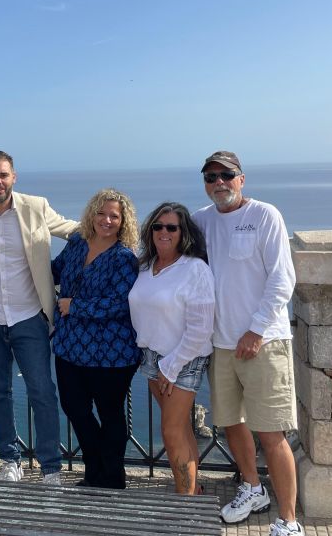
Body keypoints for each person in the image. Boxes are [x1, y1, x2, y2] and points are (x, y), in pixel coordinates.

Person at [0, 150, 78, 484]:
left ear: (14, 177)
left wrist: (114, 234)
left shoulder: (36, 206)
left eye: (3, 175)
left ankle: (50, 467)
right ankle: (11, 459)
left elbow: (72, 230)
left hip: (30, 317)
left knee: (42, 393)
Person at [191, 151, 301, 536]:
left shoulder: (265, 215)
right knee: (230, 423)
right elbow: (167, 252)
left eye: (226, 175)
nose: (218, 182)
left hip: (263, 342)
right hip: (220, 345)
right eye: (210, 177)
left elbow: (282, 280)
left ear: (241, 179)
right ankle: (253, 489)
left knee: (272, 434)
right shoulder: (200, 220)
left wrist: (255, 331)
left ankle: (289, 520)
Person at [50, 188, 141, 489]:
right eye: (101, 213)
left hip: (111, 353)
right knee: (74, 409)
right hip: (70, 348)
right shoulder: (77, 243)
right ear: (91, 214)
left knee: (110, 415)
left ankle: (111, 477)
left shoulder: (124, 258)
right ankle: (95, 469)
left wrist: (75, 306)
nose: (107, 220)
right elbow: (54, 271)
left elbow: (121, 303)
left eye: (114, 216)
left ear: (123, 221)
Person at [128, 202, 214, 495]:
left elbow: (201, 328)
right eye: (158, 226)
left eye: (171, 227)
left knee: (171, 432)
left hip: (182, 359)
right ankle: (193, 492)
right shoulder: (144, 267)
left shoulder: (194, 269)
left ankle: (184, 503)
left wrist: (171, 365)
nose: (164, 232)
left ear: (183, 232)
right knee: (182, 430)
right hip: (152, 356)